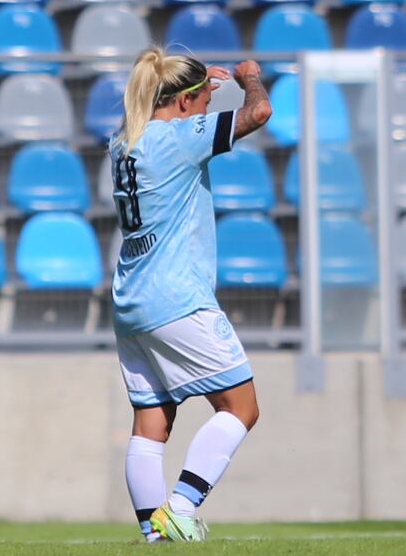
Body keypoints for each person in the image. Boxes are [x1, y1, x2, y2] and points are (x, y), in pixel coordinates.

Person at [110, 47, 272, 542]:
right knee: (242, 407)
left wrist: (200, 87)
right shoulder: (179, 138)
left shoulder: (123, 141)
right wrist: (249, 79)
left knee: (152, 421)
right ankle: (181, 508)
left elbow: (176, 112)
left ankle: (154, 537)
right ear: (180, 104)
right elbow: (258, 114)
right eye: (202, 101)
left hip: (131, 299)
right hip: (176, 296)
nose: (206, 108)